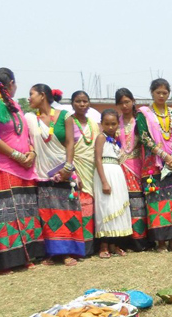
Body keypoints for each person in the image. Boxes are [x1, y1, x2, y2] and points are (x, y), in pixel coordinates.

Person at [0, 68, 44, 273]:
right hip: (4, 167)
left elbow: (25, 135)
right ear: (11, 84)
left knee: (25, 212)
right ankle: (8, 260)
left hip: (25, 167)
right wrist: (16, 156)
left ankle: (27, 256)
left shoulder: (16, 106)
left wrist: (32, 153)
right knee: (6, 214)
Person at [26, 83, 85, 265]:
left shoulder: (65, 116)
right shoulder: (29, 118)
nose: (29, 98)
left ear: (42, 95)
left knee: (67, 211)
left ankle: (69, 253)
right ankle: (52, 253)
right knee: (48, 212)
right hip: (42, 172)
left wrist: (68, 168)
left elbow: (69, 143)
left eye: (31, 94)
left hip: (64, 170)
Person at [136, 78, 172, 252]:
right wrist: (164, 155)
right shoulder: (144, 113)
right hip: (154, 164)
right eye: (158, 92)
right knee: (158, 203)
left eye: (165, 93)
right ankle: (160, 242)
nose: (161, 96)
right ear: (152, 93)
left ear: (169, 94)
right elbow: (144, 137)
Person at [93, 109, 132, 258]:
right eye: (107, 124)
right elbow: (97, 159)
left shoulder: (116, 140)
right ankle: (103, 246)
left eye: (113, 124)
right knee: (106, 208)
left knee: (116, 207)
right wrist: (104, 181)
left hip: (117, 173)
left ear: (118, 124)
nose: (110, 127)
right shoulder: (101, 138)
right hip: (105, 173)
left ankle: (114, 244)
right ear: (101, 124)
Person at [116, 88, 149, 251]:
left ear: (133, 101)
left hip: (139, 165)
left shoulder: (141, 120)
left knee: (139, 202)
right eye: (121, 103)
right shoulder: (116, 122)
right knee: (125, 203)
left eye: (127, 101)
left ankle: (141, 240)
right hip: (121, 167)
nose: (124, 105)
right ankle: (127, 241)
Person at [66, 90, 97, 256]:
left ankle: (92, 246)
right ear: (72, 103)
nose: (82, 104)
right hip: (76, 168)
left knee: (92, 207)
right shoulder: (68, 122)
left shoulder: (93, 123)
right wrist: (72, 171)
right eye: (78, 101)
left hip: (92, 168)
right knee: (79, 207)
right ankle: (79, 246)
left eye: (85, 101)